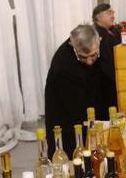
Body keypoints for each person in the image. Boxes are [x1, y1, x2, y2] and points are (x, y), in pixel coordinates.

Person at [44, 24, 103, 157]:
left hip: (83, 107)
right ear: (73, 47)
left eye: (93, 55)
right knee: (71, 153)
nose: (89, 62)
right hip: (66, 117)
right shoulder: (63, 66)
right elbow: (78, 109)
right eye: (82, 57)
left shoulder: (98, 44)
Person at [92, 3, 121, 119]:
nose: (113, 16)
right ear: (98, 17)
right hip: (105, 83)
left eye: (113, 13)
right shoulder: (97, 34)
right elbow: (105, 61)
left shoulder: (112, 31)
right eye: (109, 13)